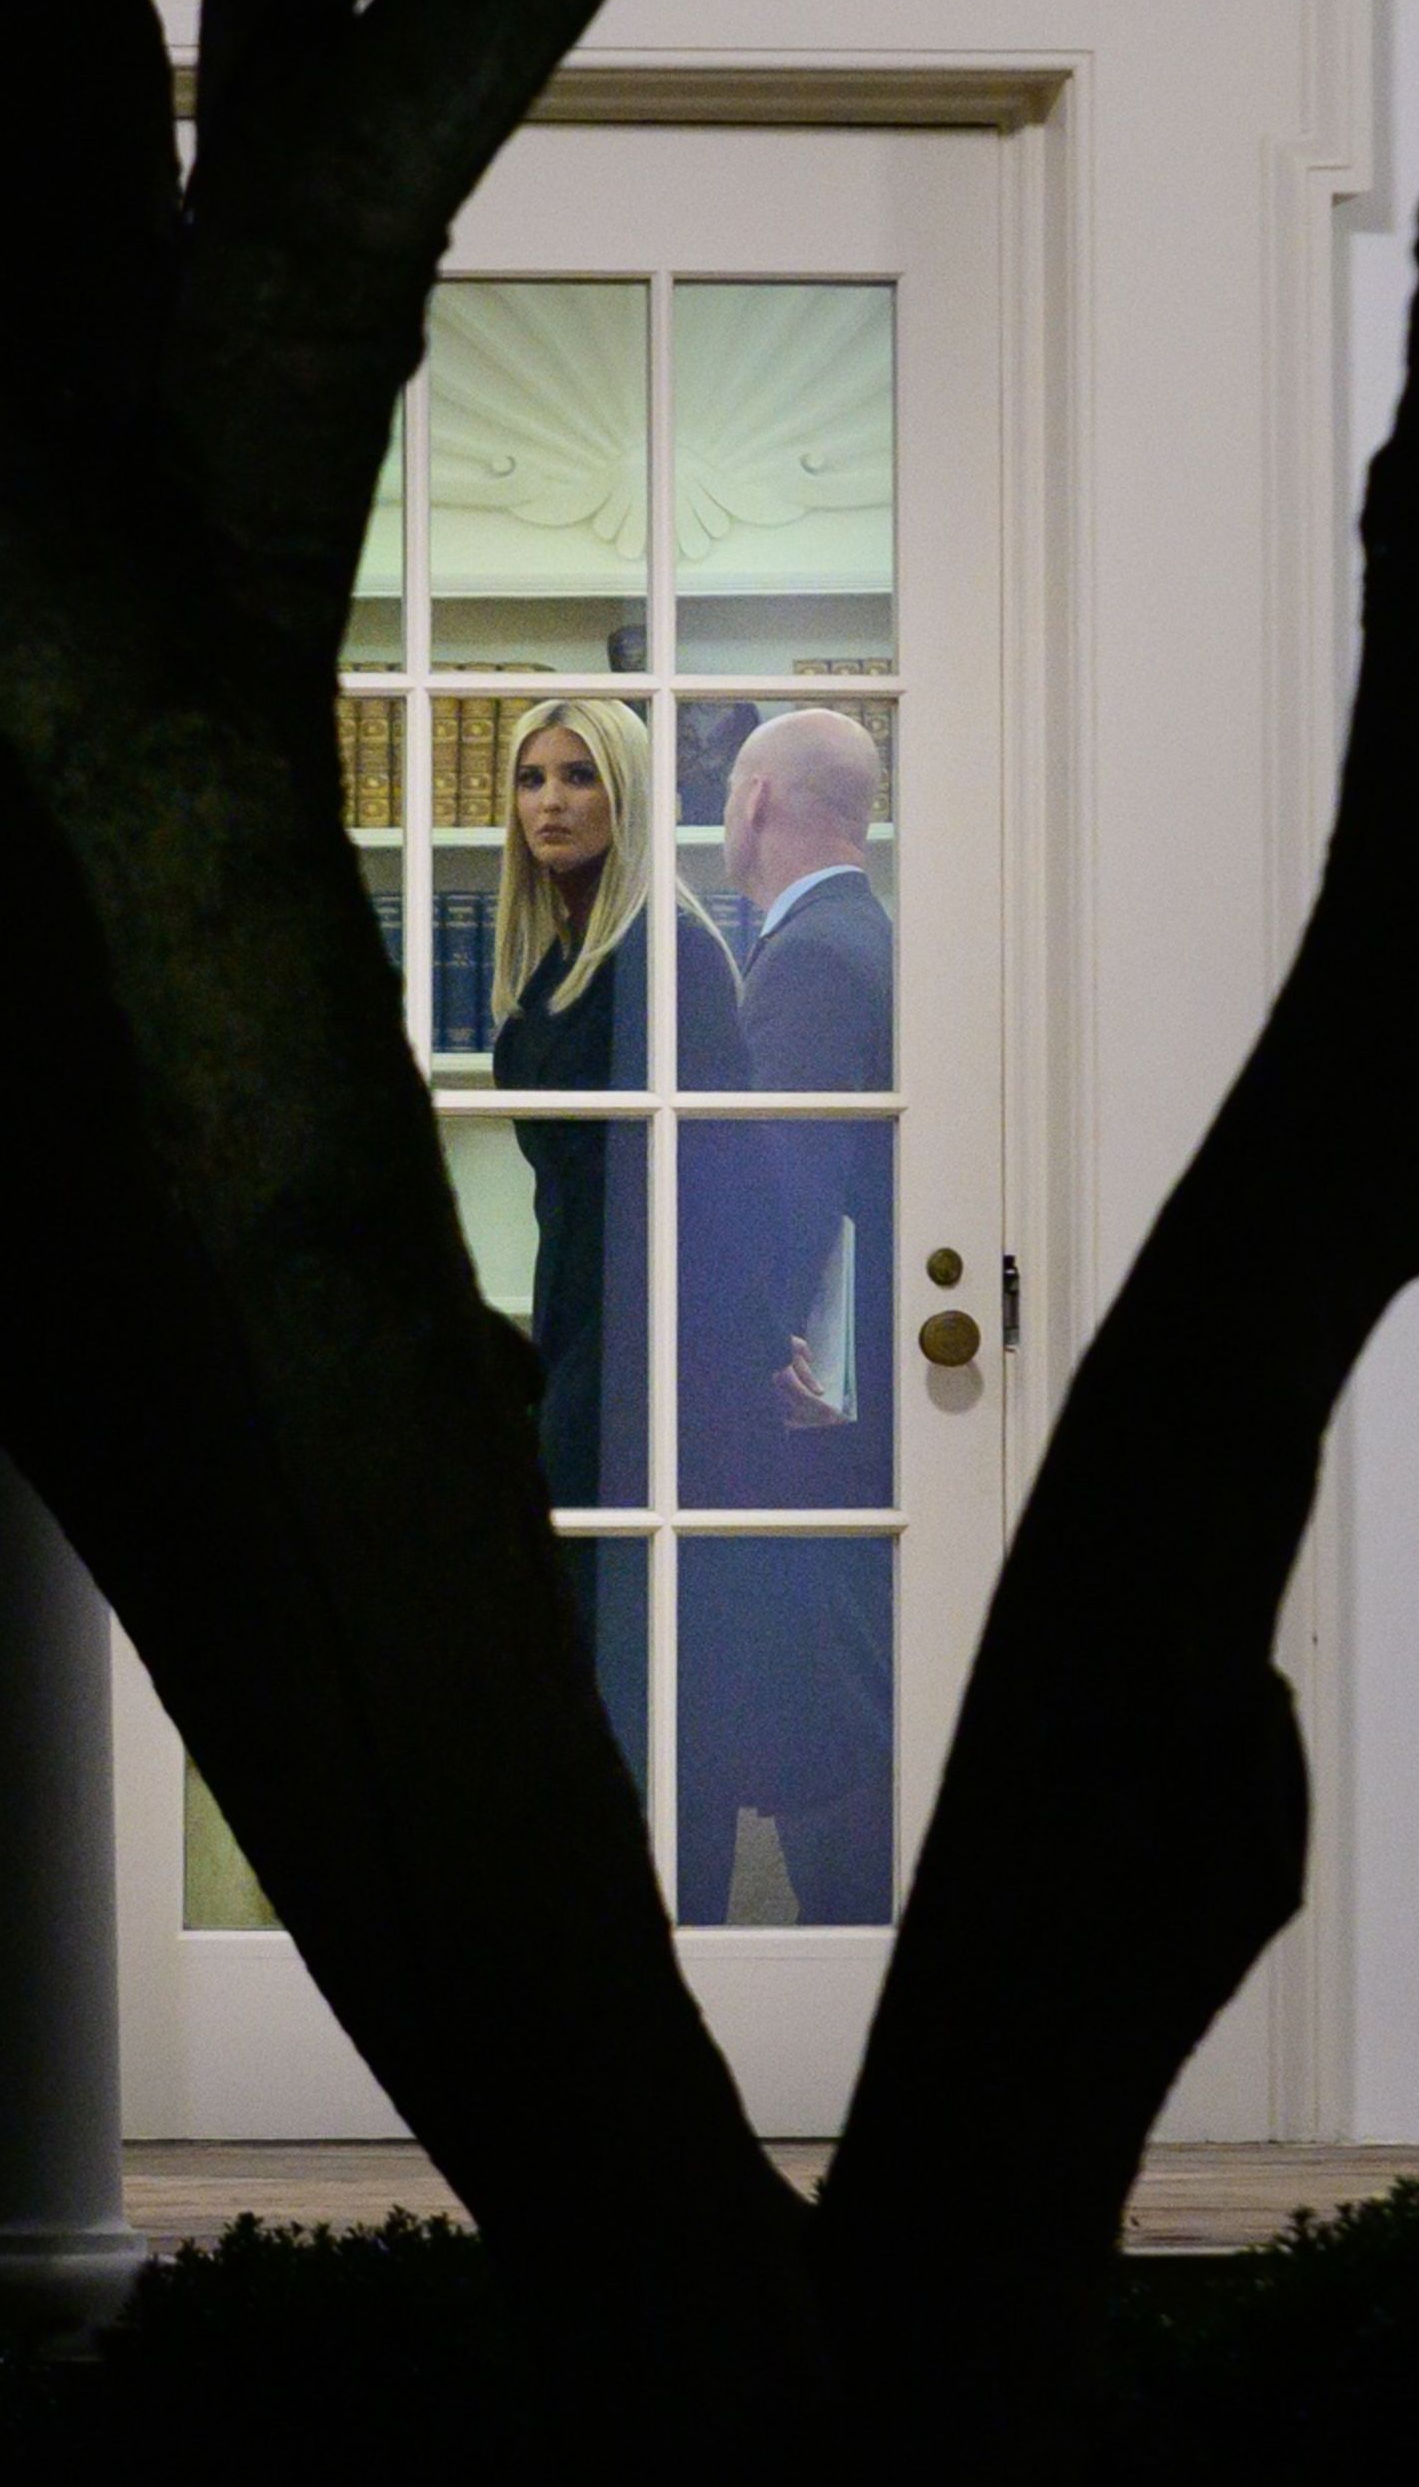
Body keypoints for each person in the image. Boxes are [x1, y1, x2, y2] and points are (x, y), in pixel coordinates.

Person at [486, 699, 749, 1779]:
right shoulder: (559, 963)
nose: (551, 801)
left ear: (629, 793)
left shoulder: (664, 952)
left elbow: (736, 1181)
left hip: (654, 1337)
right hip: (581, 1317)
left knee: (640, 1645)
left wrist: (748, 1341)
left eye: (580, 776)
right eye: (533, 778)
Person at [678, 705, 898, 1925]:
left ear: (755, 798)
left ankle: (841, 1974)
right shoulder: (863, 932)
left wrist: (765, 1354)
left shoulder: (809, 954)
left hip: (808, 1419)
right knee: (828, 1701)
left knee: (820, 1713)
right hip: (849, 1408)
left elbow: (783, 1191)